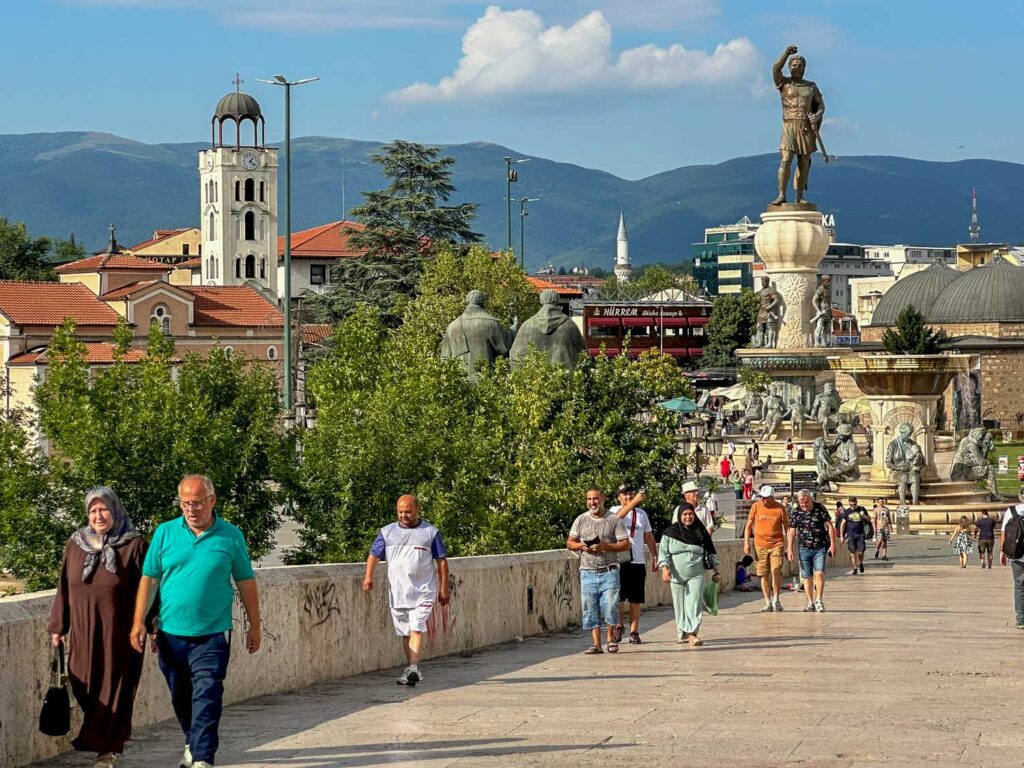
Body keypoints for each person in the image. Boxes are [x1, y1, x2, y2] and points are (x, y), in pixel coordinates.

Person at [131, 475, 261, 768]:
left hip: (213, 633)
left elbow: (245, 582)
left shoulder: (231, 536)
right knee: (181, 695)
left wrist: (255, 624)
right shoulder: (165, 533)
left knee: (208, 692)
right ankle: (193, 740)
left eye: (198, 503)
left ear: (212, 501)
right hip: (170, 633)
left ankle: (203, 757)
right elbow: (150, 579)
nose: (191, 509)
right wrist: (139, 621)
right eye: (185, 504)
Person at [48, 488, 146, 768]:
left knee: (115, 689)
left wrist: (151, 626)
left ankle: (108, 750)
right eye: (93, 511)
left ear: (115, 511)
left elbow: (147, 588)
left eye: (103, 509)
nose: (98, 515)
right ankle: (102, 740)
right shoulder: (76, 543)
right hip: (82, 629)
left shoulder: (134, 544)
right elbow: (64, 586)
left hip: (120, 634)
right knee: (81, 681)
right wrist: (58, 625)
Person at [363, 494, 450, 686]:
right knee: (405, 632)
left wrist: (444, 588)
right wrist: (368, 577)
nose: (404, 515)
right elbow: (374, 555)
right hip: (398, 591)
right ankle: (413, 668)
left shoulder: (430, 532)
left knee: (416, 627)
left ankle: (412, 668)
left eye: (408, 512)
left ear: (416, 510)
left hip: (423, 590)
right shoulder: (387, 532)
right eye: (400, 512)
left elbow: (441, 561)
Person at [567, 489, 630, 654]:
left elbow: (625, 544)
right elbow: (570, 543)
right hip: (587, 571)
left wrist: (604, 547)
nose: (592, 502)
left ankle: (610, 638)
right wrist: (582, 546)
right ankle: (596, 644)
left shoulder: (613, 519)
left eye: (595, 498)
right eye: (589, 499)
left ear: (602, 499)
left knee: (610, 605)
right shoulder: (581, 520)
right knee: (590, 608)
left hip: (609, 570)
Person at [658, 502, 720, 647]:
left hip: (696, 574)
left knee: (694, 603)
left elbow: (711, 552)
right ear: (680, 516)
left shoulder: (701, 531)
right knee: (679, 605)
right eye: (685, 514)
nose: (688, 517)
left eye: (690, 514)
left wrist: (716, 570)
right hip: (676, 575)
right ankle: (682, 633)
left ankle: (693, 633)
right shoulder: (670, 532)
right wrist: (664, 569)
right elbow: (663, 552)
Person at [771, 44, 826, 206]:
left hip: (805, 127)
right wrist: (786, 53)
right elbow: (775, 68)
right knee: (786, 159)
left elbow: (821, 105)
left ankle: (800, 195)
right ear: (789, 67)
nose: (797, 68)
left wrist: (816, 115)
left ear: (804, 68)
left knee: (803, 162)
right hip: (789, 125)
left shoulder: (811, 86)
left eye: (800, 66)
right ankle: (781, 194)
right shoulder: (784, 83)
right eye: (794, 66)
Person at [609, 486, 658, 644]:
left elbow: (648, 536)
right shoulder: (613, 510)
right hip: (619, 561)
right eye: (625, 494)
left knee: (636, 598)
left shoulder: (641, 514)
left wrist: (655, 556)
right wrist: (634, 502)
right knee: (619, 597)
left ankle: (634, 631)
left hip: (637, 560)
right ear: (619, 497)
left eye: (631, 493)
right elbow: (615, 520)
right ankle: (619, 626)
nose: (629, 496)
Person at [786, 489, 836, 612]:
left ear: (811, 500)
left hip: (820, 547)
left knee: (819, 573)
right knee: (807, 577)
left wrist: (833, 544)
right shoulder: (796, 511)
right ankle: (810, 602)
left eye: (806, 503)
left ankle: (819, 600)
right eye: (801, 503)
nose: (804, 505)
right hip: (804, 548)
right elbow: (791, 530)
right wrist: (789, 548)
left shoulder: (820, 508)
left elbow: (830, 526)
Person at [743, 485, 790, 612]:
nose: (762, 500)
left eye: (765, 498)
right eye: (761, 497)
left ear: (771, 497)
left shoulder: (780, 508)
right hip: (759, 545)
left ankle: (776, 599)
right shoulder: (756, 506)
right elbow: (748, 526)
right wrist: (746, 543)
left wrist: (789, 546)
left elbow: (787, 528)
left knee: (775, 570)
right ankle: (767, 601)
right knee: (763, 574)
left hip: (777, 544)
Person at [999, 487, 1024, 629]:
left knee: (1020, 588)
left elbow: (1004, 533)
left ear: (1020, 497)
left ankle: (1021, 620)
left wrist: (1003, 552)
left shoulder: (1012, 511)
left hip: (1017, 555)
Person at [839, 496, 869, 575]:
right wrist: (842, 536)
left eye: (854, 504)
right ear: (849, 503)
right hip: (851, 535)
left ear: (856, 502)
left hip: (860, 534)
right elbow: (843, 524)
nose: (853, 506)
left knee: (861, 552)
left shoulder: (862, 509)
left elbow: (869, 519)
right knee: (852, 552)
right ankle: (855, 568)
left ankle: (861, 563)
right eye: (851, 504)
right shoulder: (847, 512)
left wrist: (864, 516)